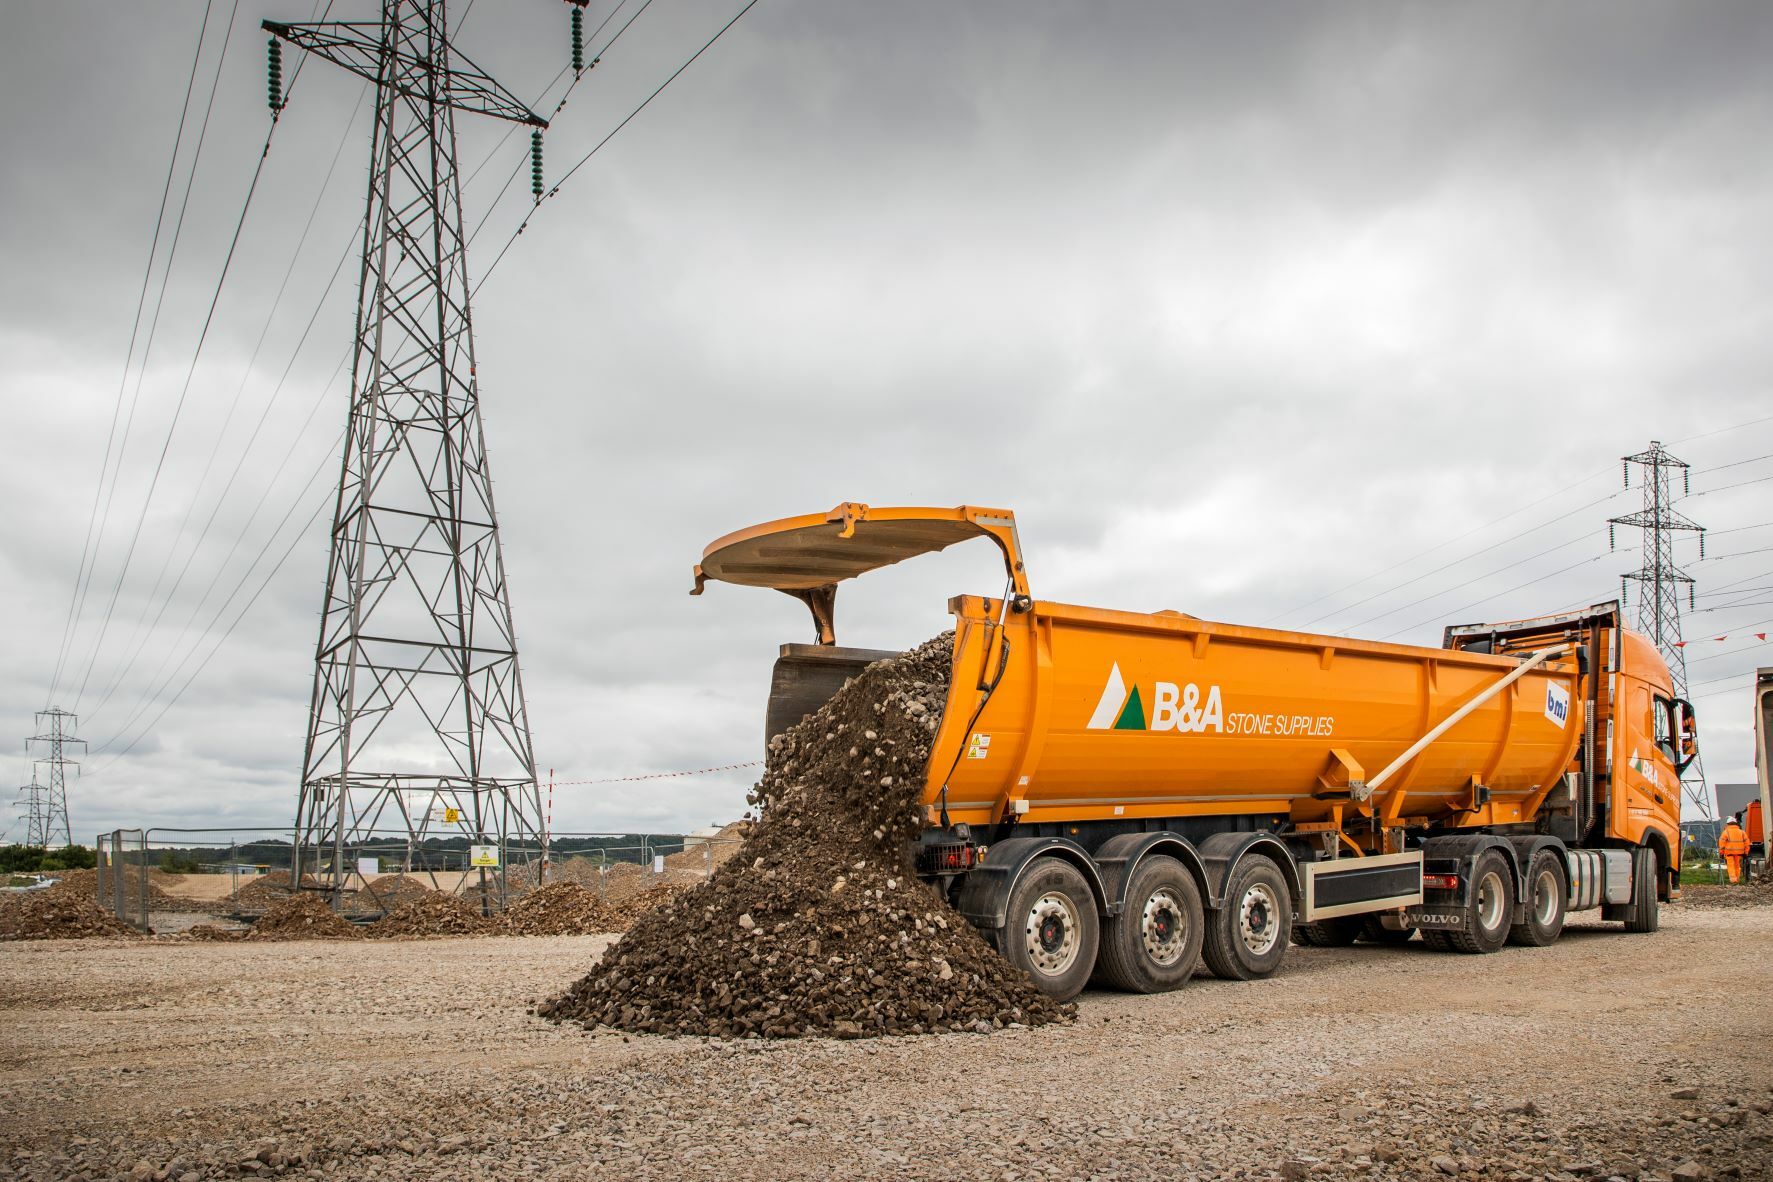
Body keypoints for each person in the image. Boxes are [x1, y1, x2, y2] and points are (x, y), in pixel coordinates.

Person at [1719, 815, 1752, 885]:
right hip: (1739, 852)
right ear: (1736, 823)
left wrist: (1721, 853)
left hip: (1729, 852)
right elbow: (1747, 843)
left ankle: (1733, 880)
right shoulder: (1742, 832)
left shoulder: (1726, 832)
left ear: (1728, 824)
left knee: (1731, 865)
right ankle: (1737, 879)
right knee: (1737, 865)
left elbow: (1722, 844)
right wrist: (1746, 852)